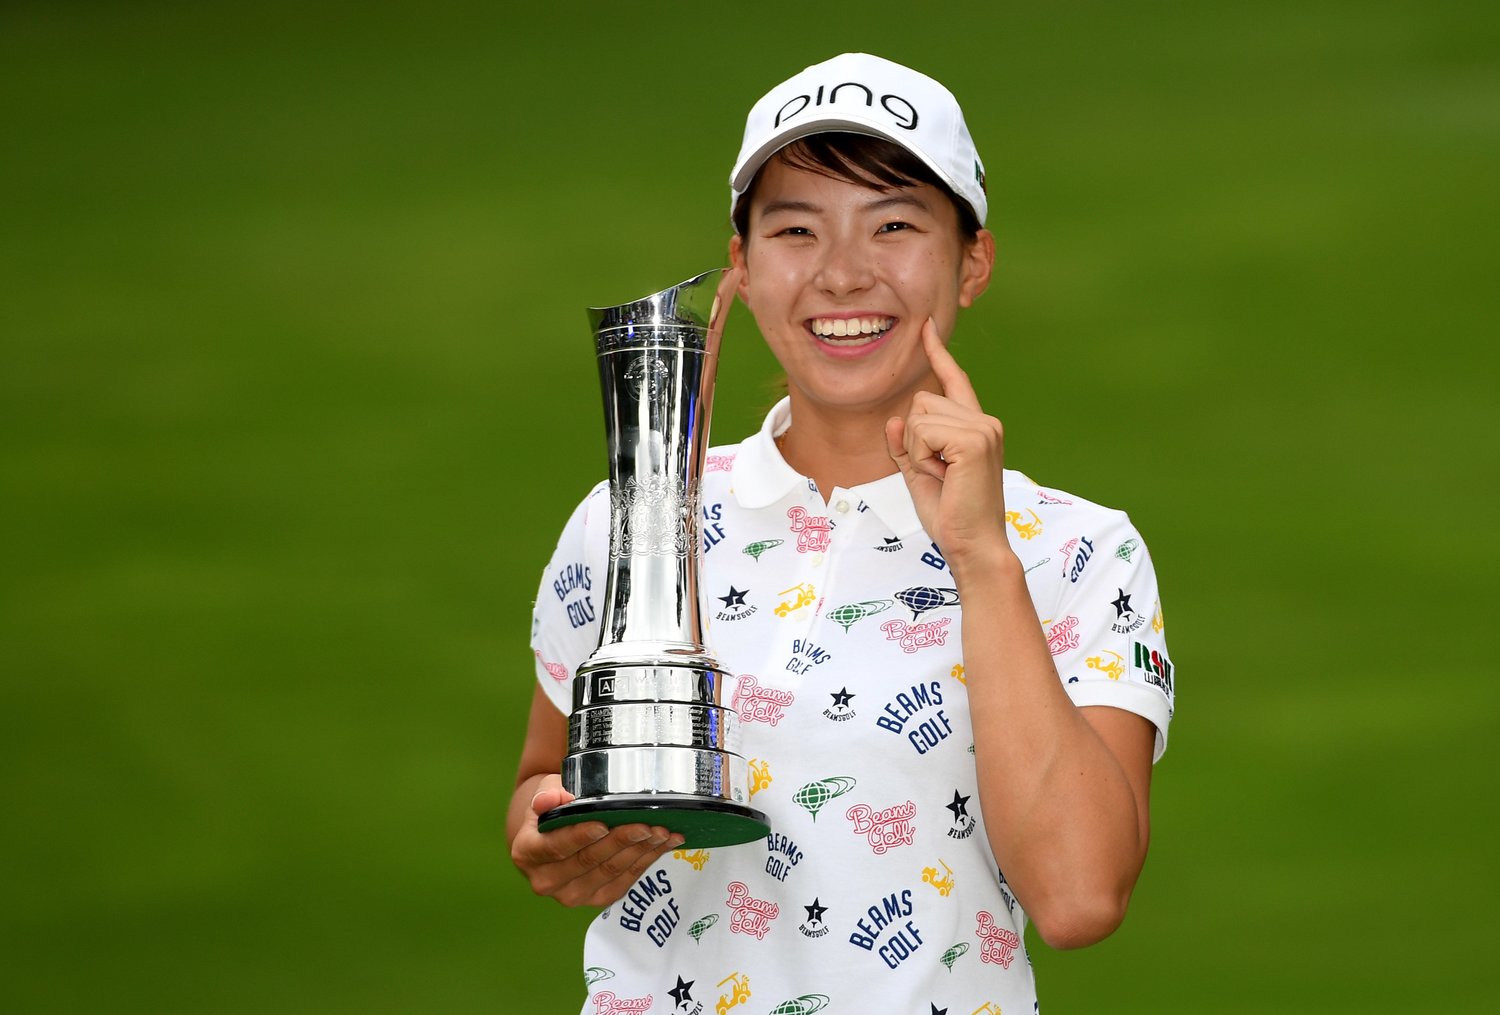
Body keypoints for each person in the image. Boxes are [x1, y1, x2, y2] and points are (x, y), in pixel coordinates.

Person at [509, 52, 1175, 1014]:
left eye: (894, 224)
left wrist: (984, 558)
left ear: (973, 261)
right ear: (740, 265)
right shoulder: (631, 515)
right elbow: (545, 775)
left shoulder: (1075, 548)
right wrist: (551, 836)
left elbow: (1078, 897)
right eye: (795, 228)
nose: (842, 273)